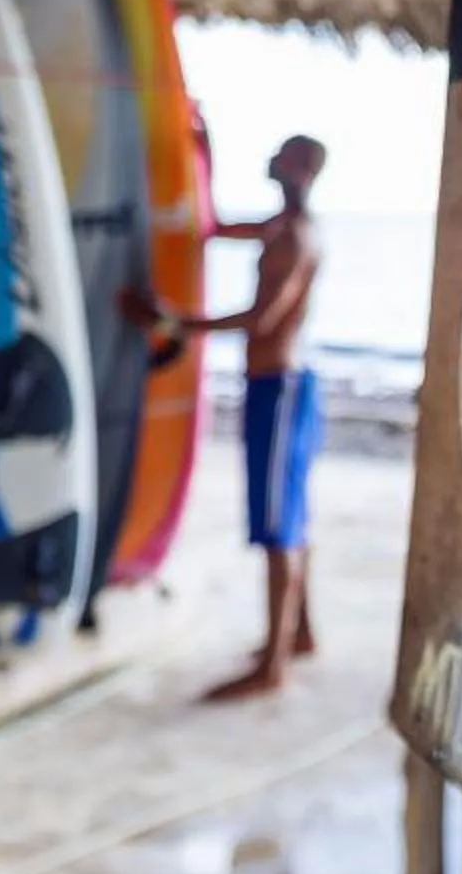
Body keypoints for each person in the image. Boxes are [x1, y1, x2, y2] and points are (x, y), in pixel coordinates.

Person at [139, 135, 327, 702]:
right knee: (289, 515)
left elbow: (262, 319)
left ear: (301, 168)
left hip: (281, 386)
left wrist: (175, 323)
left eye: (283, 154)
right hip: (278, 386)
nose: (271, 158)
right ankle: (300, 635)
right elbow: (214, 228)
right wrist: (199, 152)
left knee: (279, 527)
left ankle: (273, 666)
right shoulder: (277, 227)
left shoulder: (293, 237)